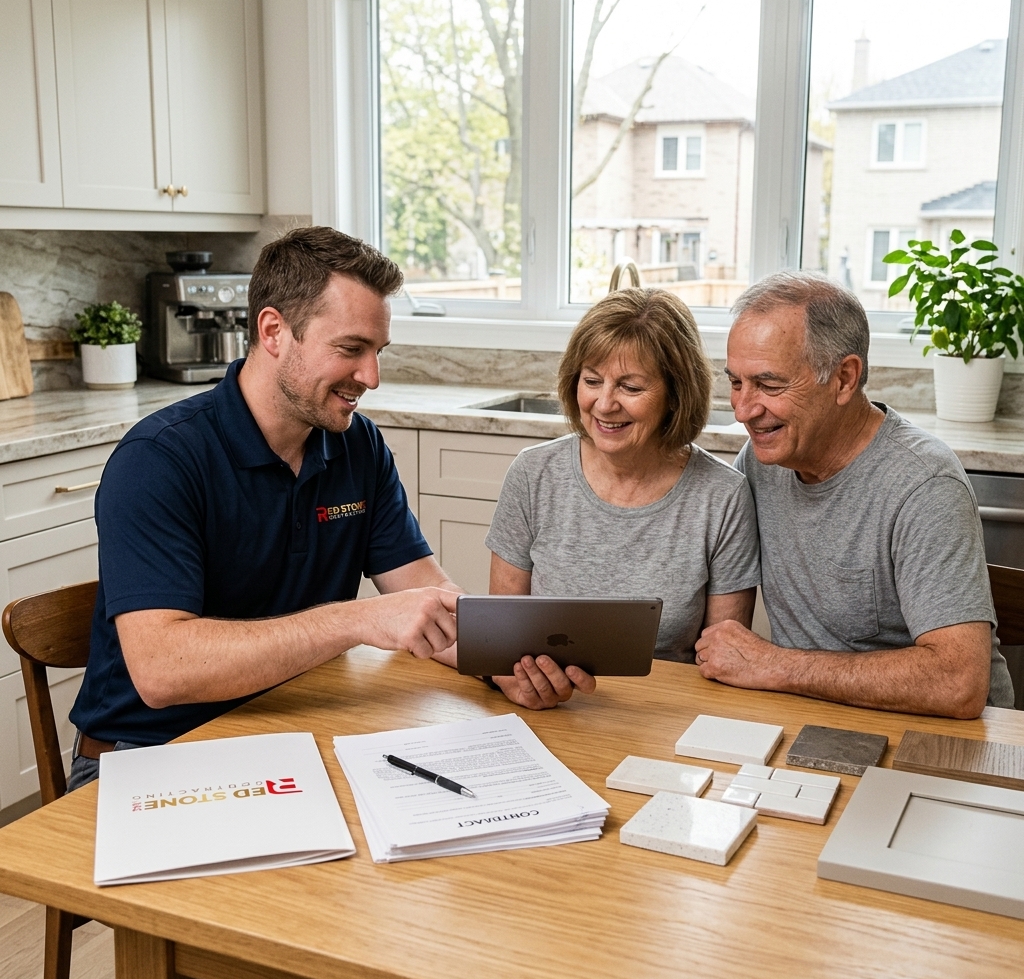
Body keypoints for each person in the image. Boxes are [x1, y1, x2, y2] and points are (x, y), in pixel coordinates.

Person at [68, 227, 461, 789]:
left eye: (377, 352)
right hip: (147, 755)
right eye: (351, 349)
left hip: (289, 732)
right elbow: (160, 669)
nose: (371, 377)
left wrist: (506, 661)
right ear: (274, 331)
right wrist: (361, 620)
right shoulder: (158, 459)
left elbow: (428, 598)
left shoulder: (358, 445)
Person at [695, 271, 1014, 717]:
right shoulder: (761, 460)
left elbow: (959, 683)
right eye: (735, 382)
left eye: (769, 384)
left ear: (845, 378)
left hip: (944, 737)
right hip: (820, 716)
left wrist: (776, 665)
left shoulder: (923, 485)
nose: (745, 410)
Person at [457, 286, 761, 709]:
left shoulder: (723, 497)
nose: (603, 404)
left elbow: (724, 663)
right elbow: (501, 645)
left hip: (667, 714)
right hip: (549, 710)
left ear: (675, 395)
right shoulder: (533, 474)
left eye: (630, 387)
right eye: (592, 380)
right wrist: (513, 680)